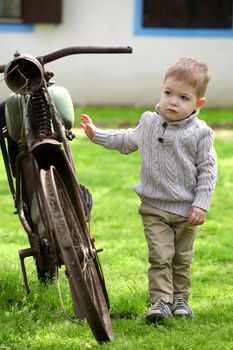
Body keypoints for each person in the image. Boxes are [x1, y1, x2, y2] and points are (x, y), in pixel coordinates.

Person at [80, 57, 217, 323]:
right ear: (161, 89)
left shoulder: (201, 133)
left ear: (198, 104)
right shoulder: (149, 122)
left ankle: (181, 301)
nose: (173, 102)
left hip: (187, 211)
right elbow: (125, 140)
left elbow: (208, 171)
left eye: (183, 98)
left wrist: (201, 204)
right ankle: (161, 302)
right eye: (168, 93)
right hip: (154, 208)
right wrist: (96, 134)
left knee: (181, 258)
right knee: (160, 255)